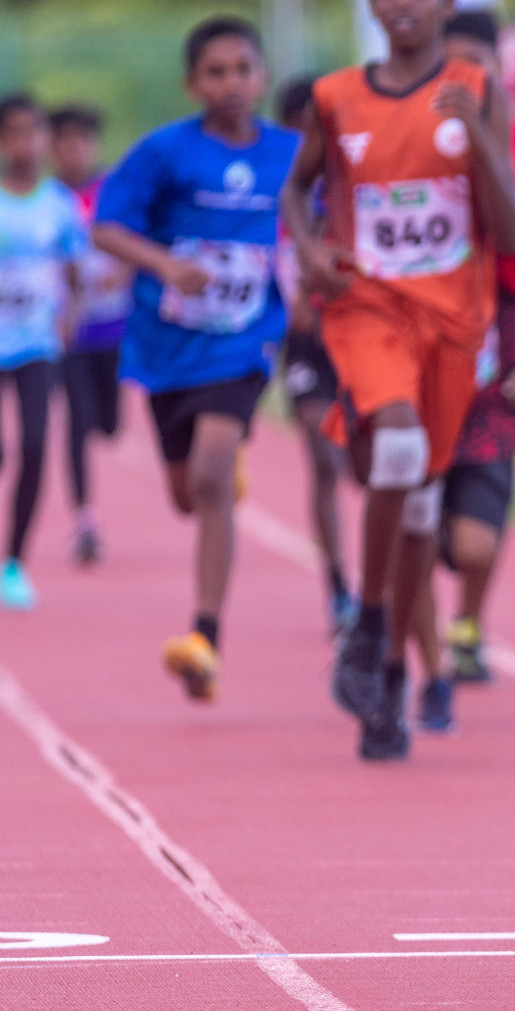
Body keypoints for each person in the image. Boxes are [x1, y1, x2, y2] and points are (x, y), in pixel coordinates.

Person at [281, 0, 515, 760]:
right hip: (368, 308)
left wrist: (479, 137)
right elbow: (296, 191)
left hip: (452, 325)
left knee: (421, 499)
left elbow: (509, 235)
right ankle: (372, 620)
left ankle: (384, 676)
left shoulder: (477, 87)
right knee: (396, 450)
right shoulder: (334, 96)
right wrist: (310, 251)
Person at [94, 17, 298, 699]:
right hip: (165, 348)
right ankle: (220, 463)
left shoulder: (293, 155)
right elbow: (107, 227)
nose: (231, 83)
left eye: (243, 68)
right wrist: (164, 264)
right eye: (216, 72)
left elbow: (328, 217)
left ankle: (204, 634)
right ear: (192, 83)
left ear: (262, 76)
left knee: (210, 481)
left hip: (242, 344)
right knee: (189, 496)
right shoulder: (164, 152)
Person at [411, 8, 515, 731]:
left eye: (477, 67)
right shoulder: (407, 143)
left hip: (496, 361)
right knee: (417, 522)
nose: (464, 82)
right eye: (449, 66)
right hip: (413, 362)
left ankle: (468, 624)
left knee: (473, 537)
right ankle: (407, 651)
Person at [274, 75, 358, 636]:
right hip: (305, 343)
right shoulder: (277, 187)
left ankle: (381, 587)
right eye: (304, 126)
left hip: (360, 336)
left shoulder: (355, 176)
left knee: (367, 464)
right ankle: (337, 589)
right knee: (323, 460)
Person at [0, 93, 86, 610]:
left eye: (32, 133)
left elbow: (75, 276)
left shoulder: (60, 205)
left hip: (36, 344)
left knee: (34, 446)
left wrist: (69, 319)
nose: (24, 144)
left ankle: (13, 563)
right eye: (12, 133)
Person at [50, 104, 132, 567]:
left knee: (108, 424)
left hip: (111, 326)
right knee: (77, 424)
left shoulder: (113, 190)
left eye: (81, 140)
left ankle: (106, 421)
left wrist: (122, 270)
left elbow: (137, 238)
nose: (73, 150)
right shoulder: (46, 198)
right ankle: (84, 518)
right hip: (67, 331)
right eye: (63, 141)